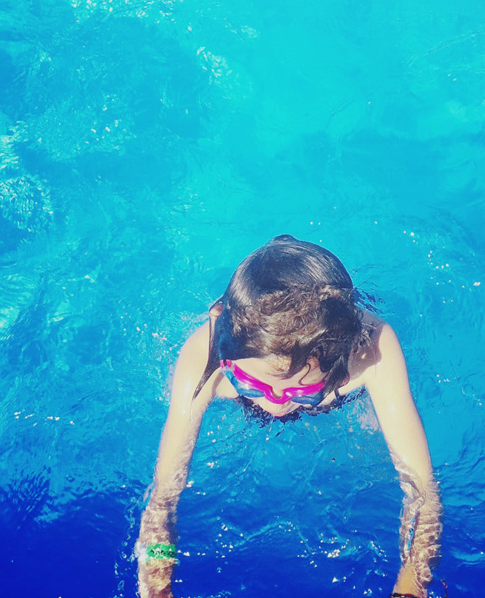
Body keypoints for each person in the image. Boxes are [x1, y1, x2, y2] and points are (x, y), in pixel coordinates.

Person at [136, 234, 442, 598]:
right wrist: (157, 584)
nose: (276, 404)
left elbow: (422, 491)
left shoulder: (371, 349)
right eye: (251, 385)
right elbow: (163, 498)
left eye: (302, 391)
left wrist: (410, 586)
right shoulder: (203, 357)